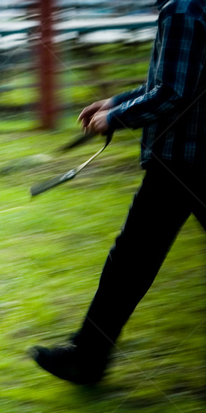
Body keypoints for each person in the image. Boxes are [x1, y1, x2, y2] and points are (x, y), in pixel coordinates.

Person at [30, 0, 206, 385]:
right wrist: (117, 101)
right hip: (186, 159)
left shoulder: (181, 9)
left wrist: (115, 117)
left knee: (130, 261)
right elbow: (178, 80)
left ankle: (88, 358)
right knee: (131, 260)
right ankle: (88, 356)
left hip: (183, 160)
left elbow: (172, 93)